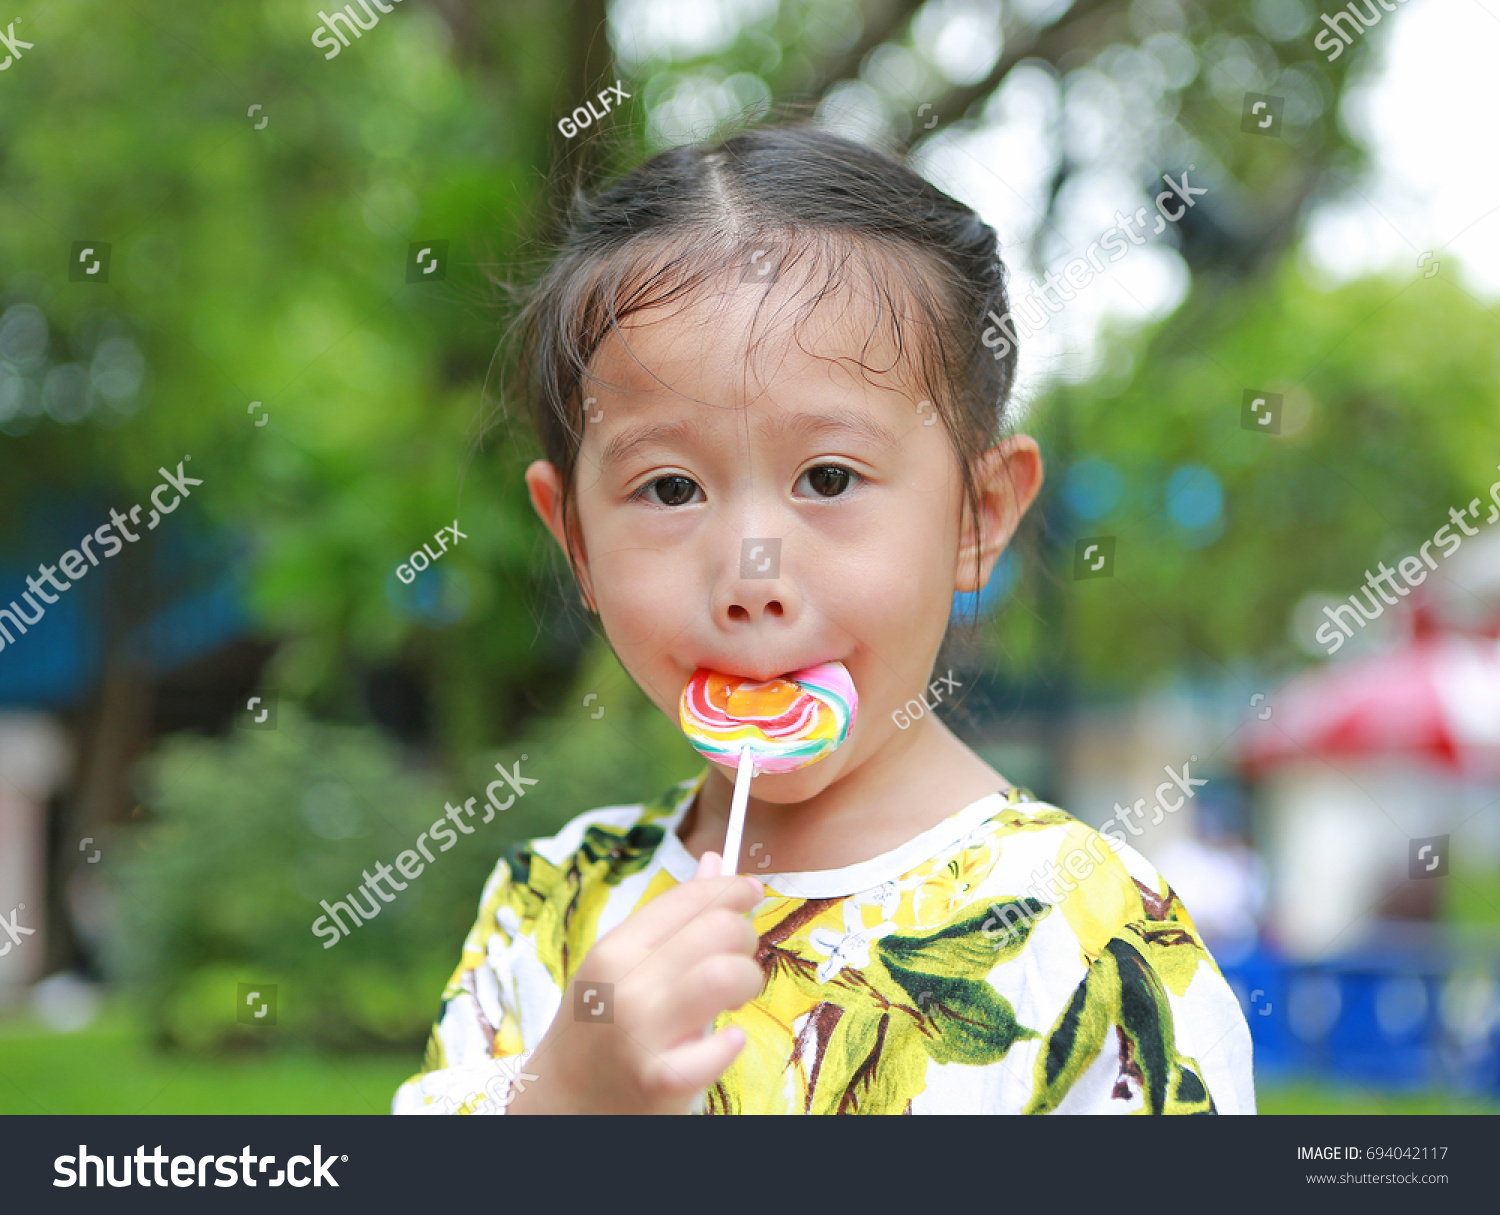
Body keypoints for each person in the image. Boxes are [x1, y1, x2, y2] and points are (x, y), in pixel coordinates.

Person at [392, 126, 1255, 1115]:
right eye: (669, 488)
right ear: (576, 541)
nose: (751, 575)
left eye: (829, 477)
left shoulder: (1096, 942)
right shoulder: (544, 911)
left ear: (977, 518)